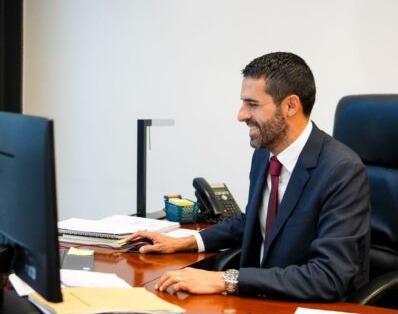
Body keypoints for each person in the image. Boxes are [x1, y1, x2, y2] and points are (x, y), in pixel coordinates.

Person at [126, 52, 370, 301]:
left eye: (252, 104)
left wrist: (225, 280)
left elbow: (329, 277)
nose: (241, 115)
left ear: (290, 106)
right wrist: (187, 241)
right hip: (263, 300)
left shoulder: (342, 170)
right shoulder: (265, 154)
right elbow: (255, 220)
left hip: (311, 310)